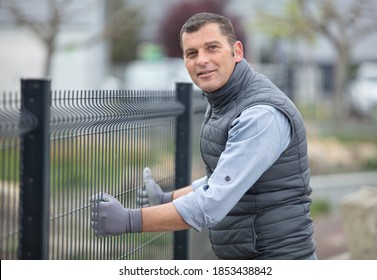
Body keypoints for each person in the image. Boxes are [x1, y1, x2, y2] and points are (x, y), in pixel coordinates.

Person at [90, 12, 317, 260]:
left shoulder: (259, 116)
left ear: (237, 51)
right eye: (192, 53)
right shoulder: (225, 100)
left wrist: (130, 220)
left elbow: (212, 202)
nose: (202, 60)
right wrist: (167, 198)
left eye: (212, 48)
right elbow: (223, 177)